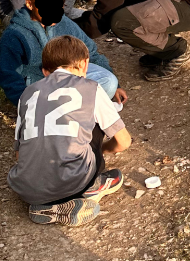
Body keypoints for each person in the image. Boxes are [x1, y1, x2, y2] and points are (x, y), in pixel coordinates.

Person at [7, 36, 131, 226]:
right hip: (73, 180)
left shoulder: (27, 94)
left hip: (26, 186)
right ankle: (91, 187)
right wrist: (102, 150)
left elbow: (18, 153)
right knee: (95, 120)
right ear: (84, 64)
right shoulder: (91, 88)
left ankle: (44, 204)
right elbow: (123, 142)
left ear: (44, 72)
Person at [0, 0, 126, 108]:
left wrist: (116, 86)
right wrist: (27, 105)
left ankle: (70, 107)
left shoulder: (64, 22)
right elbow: (10, 77)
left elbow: (90, 52)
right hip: (41, 87)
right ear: (30, 4)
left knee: (109, 82)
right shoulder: (14, 35)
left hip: (69, 78)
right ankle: (73, 107)